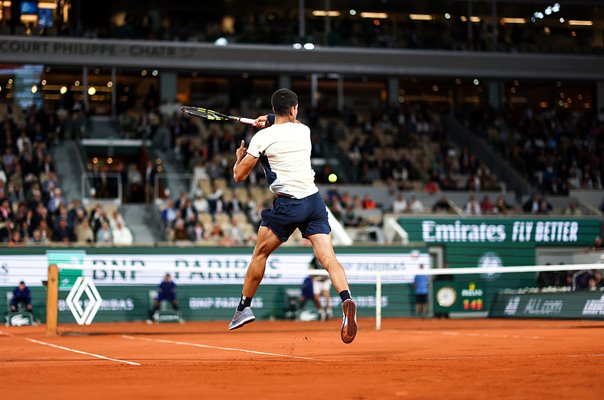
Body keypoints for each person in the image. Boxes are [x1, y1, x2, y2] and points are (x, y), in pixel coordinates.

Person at [227, 88, 357, 344]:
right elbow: (285, 123)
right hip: (314, 202)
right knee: (328, 257)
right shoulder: (304, 130)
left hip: (288, 205)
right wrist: (270, 120)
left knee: (260, 254)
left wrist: (239, 158)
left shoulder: (262, 138)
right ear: (294, 109)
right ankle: (346, 298)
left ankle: (243, 308)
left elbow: (239, 177)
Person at [309, 256, 333, 320]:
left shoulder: (325, 258)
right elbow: (310, 268)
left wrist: (323, 277)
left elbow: (330, 269)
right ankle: (321, 311)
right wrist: (314, 276)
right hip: (317, 281)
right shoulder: (314, 259)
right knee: (316, 297)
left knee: (326, 296)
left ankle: (328, 311)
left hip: (325, 280)